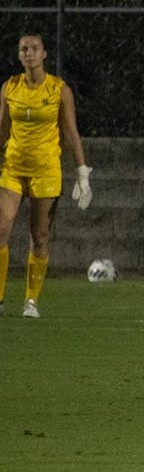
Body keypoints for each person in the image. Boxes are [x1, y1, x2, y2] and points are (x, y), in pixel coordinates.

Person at [0, 33, 91, 319]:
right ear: (19, 55)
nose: (28, 53)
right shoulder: (10, 87)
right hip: (13, 168)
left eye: (34, 48)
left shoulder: (58, 90)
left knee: (39, 236)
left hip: (45, 171)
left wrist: (82, 174)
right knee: (1, 230)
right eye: (24, 49)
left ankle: (30, 301)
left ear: (44, 54)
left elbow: (71, 133)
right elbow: (2, 129)